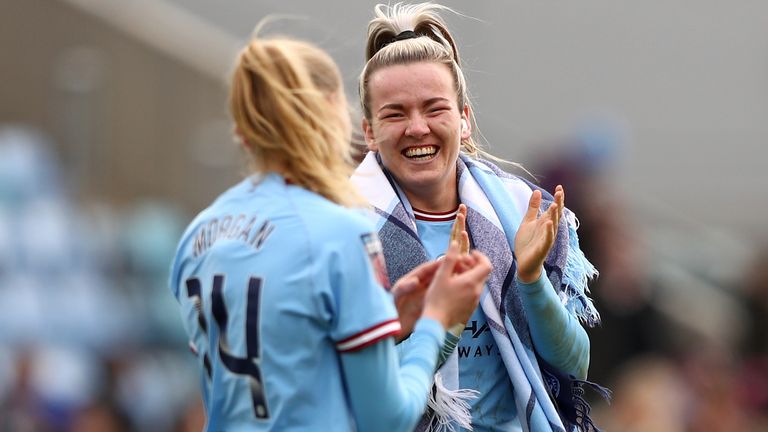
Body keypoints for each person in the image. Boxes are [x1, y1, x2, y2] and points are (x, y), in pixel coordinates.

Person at [168, 32, 494, 431]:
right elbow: (387, 420)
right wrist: (435, 321)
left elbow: (271, 369)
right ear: (333, 118)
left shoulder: (199, 235)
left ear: (241, 131)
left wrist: (386, 316)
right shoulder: (341, 232)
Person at [351, 3, 606, 431]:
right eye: (395, 113)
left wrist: (530, 278)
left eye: (435, 109)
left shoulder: (519, 213)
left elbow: (575, 364)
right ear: (370, 132)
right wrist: (439, 322)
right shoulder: (342, 230)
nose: (417, 128)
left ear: (464, 120)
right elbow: (349, 391)